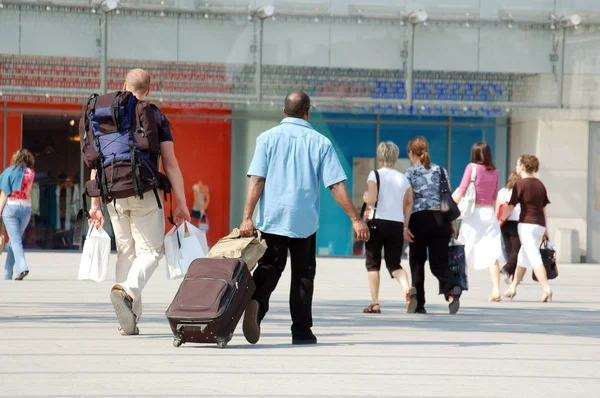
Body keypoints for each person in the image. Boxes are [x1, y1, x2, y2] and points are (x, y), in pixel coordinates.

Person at [240, 90, 370, 345]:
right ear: (307, 112)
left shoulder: (266, 139)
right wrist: (355, 218)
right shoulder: (320, 142)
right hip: (304, 221)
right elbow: (336, 184)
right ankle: (301, 331)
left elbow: (257, 179)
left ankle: (256, 304)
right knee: (303, 275)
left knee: (269, 267)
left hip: (273, 218)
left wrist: (247, 217)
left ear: (284, 111)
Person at [87, 68, 191, 335]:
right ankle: (128, 292)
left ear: (123, 85)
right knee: (151, 252)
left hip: (112, 194)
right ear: (149, 89)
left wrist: (95, 205)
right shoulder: (154, 114)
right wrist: (181, 203)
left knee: (126, 252)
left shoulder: (106, 114)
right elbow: (170, 163)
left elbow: (97, 162)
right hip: (144, 191)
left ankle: (130, 318)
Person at [404, 136, 461, 315]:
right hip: (441, 220)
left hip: (418, 220)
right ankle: (452, 289)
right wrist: (451, 223)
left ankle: (418, 304)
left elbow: (407, 202)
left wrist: (404, 226)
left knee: (417, 262)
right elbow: (447, 198)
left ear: (410, 153)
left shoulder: (410, 173)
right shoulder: (441, 171)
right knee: (439, 263)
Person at [362, 141, 416, 314]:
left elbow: (371, 198)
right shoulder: (403, 178)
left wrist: (365, 197)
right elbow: (408, 203)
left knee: (373, 264)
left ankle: (375, 302)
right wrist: (405, 225)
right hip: (397, 224)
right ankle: (407, 288)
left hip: (377, 223)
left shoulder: (375, 175)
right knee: (394, 264)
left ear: (379, 158)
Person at [453, 142, 506, 302]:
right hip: (489, 214)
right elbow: (494, 196)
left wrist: (448, 206)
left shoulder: (472, 168)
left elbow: (462, 190)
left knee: (462, 249)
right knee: (492, 254)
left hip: (473, 214)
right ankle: (496, 289)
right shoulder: (495, 171)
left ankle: (456, 285)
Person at [499, 155, 552, 302]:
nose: (516, 167)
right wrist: (546, 229)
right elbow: (543, 208)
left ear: (522, 166)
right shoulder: (540, 184)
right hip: (539, 225)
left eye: (517, 164)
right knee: (523, 256)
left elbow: (510, 206)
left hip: (527, 225)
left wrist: (500, 221)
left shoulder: (520, 184)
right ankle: (513, 288)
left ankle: (546, 288)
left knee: (534, 257)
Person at [0, 149, 35, 280]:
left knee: (15, 241)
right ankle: (7, 273)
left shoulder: (9, 172)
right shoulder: (30, 172)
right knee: (15, 241)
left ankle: (22, 267)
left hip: (11, 209)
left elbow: (4, 194)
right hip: (26, 209)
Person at [496, 172, 521, 283]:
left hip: (504, 222)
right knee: (516, 249)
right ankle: (508, 269)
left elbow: (497, 209)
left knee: (509, 248)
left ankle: (512, 274)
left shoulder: (502, 192)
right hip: (516, 222)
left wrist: (498, 222)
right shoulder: (520, 192)